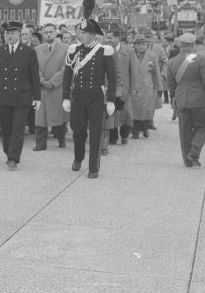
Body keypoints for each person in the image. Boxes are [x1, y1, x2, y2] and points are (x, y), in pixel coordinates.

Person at [62, 12, 116, 179]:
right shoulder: (74, 50)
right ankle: (78, 158)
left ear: (93, 35)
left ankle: (93, 167)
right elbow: (67, 75)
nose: (81, 35)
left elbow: (112, 77)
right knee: (77, 130)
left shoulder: (104, 51)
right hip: (78, 95)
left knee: (95, 132)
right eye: (80, 32)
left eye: (84, 33)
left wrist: (111, 100)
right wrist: (65, 97)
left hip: (96, 96)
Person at [0, 21, 41, 170]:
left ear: (19, 35)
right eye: (7, 33)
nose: (10, 36)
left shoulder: (28, 51)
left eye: (13, 33)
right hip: (3, 95)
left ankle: (13, 157)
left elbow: (34, 76)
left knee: (18, 127)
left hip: (22, 96)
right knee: (6, 128)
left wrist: (37, 97)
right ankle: (9, 152)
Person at [167, 32, 205, 167]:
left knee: (184, 130)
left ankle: (188, 161)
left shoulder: (172, 61)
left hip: (181, 98)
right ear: (193, 44)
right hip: (198, 98)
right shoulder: (200, 59)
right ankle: (194, 151)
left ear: (180, 45)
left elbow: (171, 84)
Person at [33, 23, 68, 151]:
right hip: (42, 87)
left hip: (57, 87)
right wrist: (42, 81)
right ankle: (40, 143)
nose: (48, 34)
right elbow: (34, 68)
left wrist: (53, 82)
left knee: (58, 115)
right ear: (43, 34)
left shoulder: (65, 48)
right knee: (40, 117)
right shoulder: (37, 49)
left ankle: (61, 140)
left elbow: (66, 68)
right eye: (46, 32)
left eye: (51, 32)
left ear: (56, 32)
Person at [107, 29, 137, 146]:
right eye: (107, 37)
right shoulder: (105, 50)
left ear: (118, 37)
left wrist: (133, 88)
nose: (108, 40)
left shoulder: (129, 52)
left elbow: (134, 71)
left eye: (110, 38)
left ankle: (124, 135)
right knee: (111, 112)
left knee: (125, 112)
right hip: (110, 87)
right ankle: (113, 137)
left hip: (125, 89)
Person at [130, 34, 162, 139]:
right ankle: (135, 132)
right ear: (134, 45)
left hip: (147, 86)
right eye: (139, 44)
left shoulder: (152, 56)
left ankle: (145, 129)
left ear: (146, 45)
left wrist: (159, 87)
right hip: (134, 86)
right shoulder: (130, 54)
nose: (141, 46)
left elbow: (156, 72)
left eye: (143, 44)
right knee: (134, 109)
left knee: (146, 109)